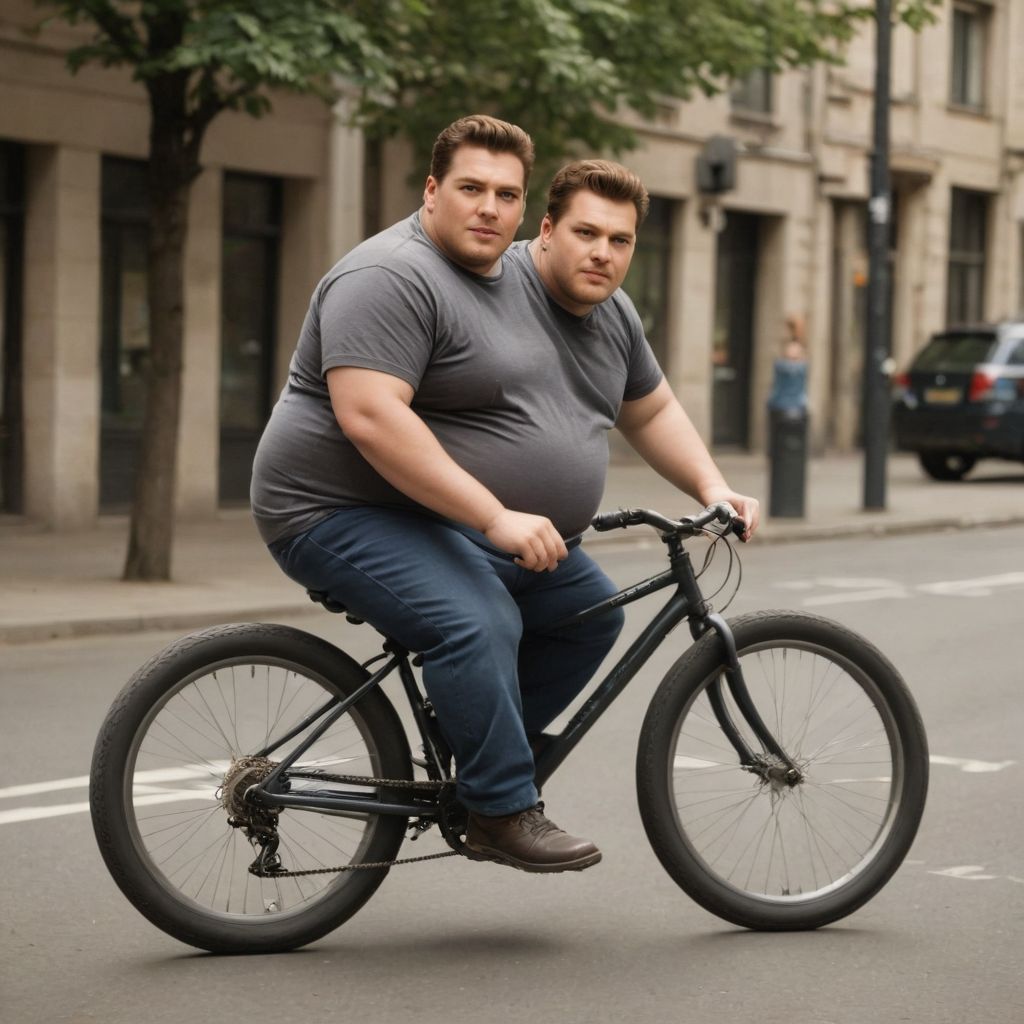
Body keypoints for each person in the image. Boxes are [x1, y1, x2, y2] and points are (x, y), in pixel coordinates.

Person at [251, 115, 759, 874]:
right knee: (475, 620)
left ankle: (482, 755)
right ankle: (498, 808)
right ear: (432, 191)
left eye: (506, 193)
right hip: (332, 509)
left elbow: (647, 407)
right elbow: (370, 416)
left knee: (587, 615)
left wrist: (712, 484)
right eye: (471, 189)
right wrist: (494, 514)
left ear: (525, 211)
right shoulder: (388, 276)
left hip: (439, 516)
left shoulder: (566, 293)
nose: (489, 207)